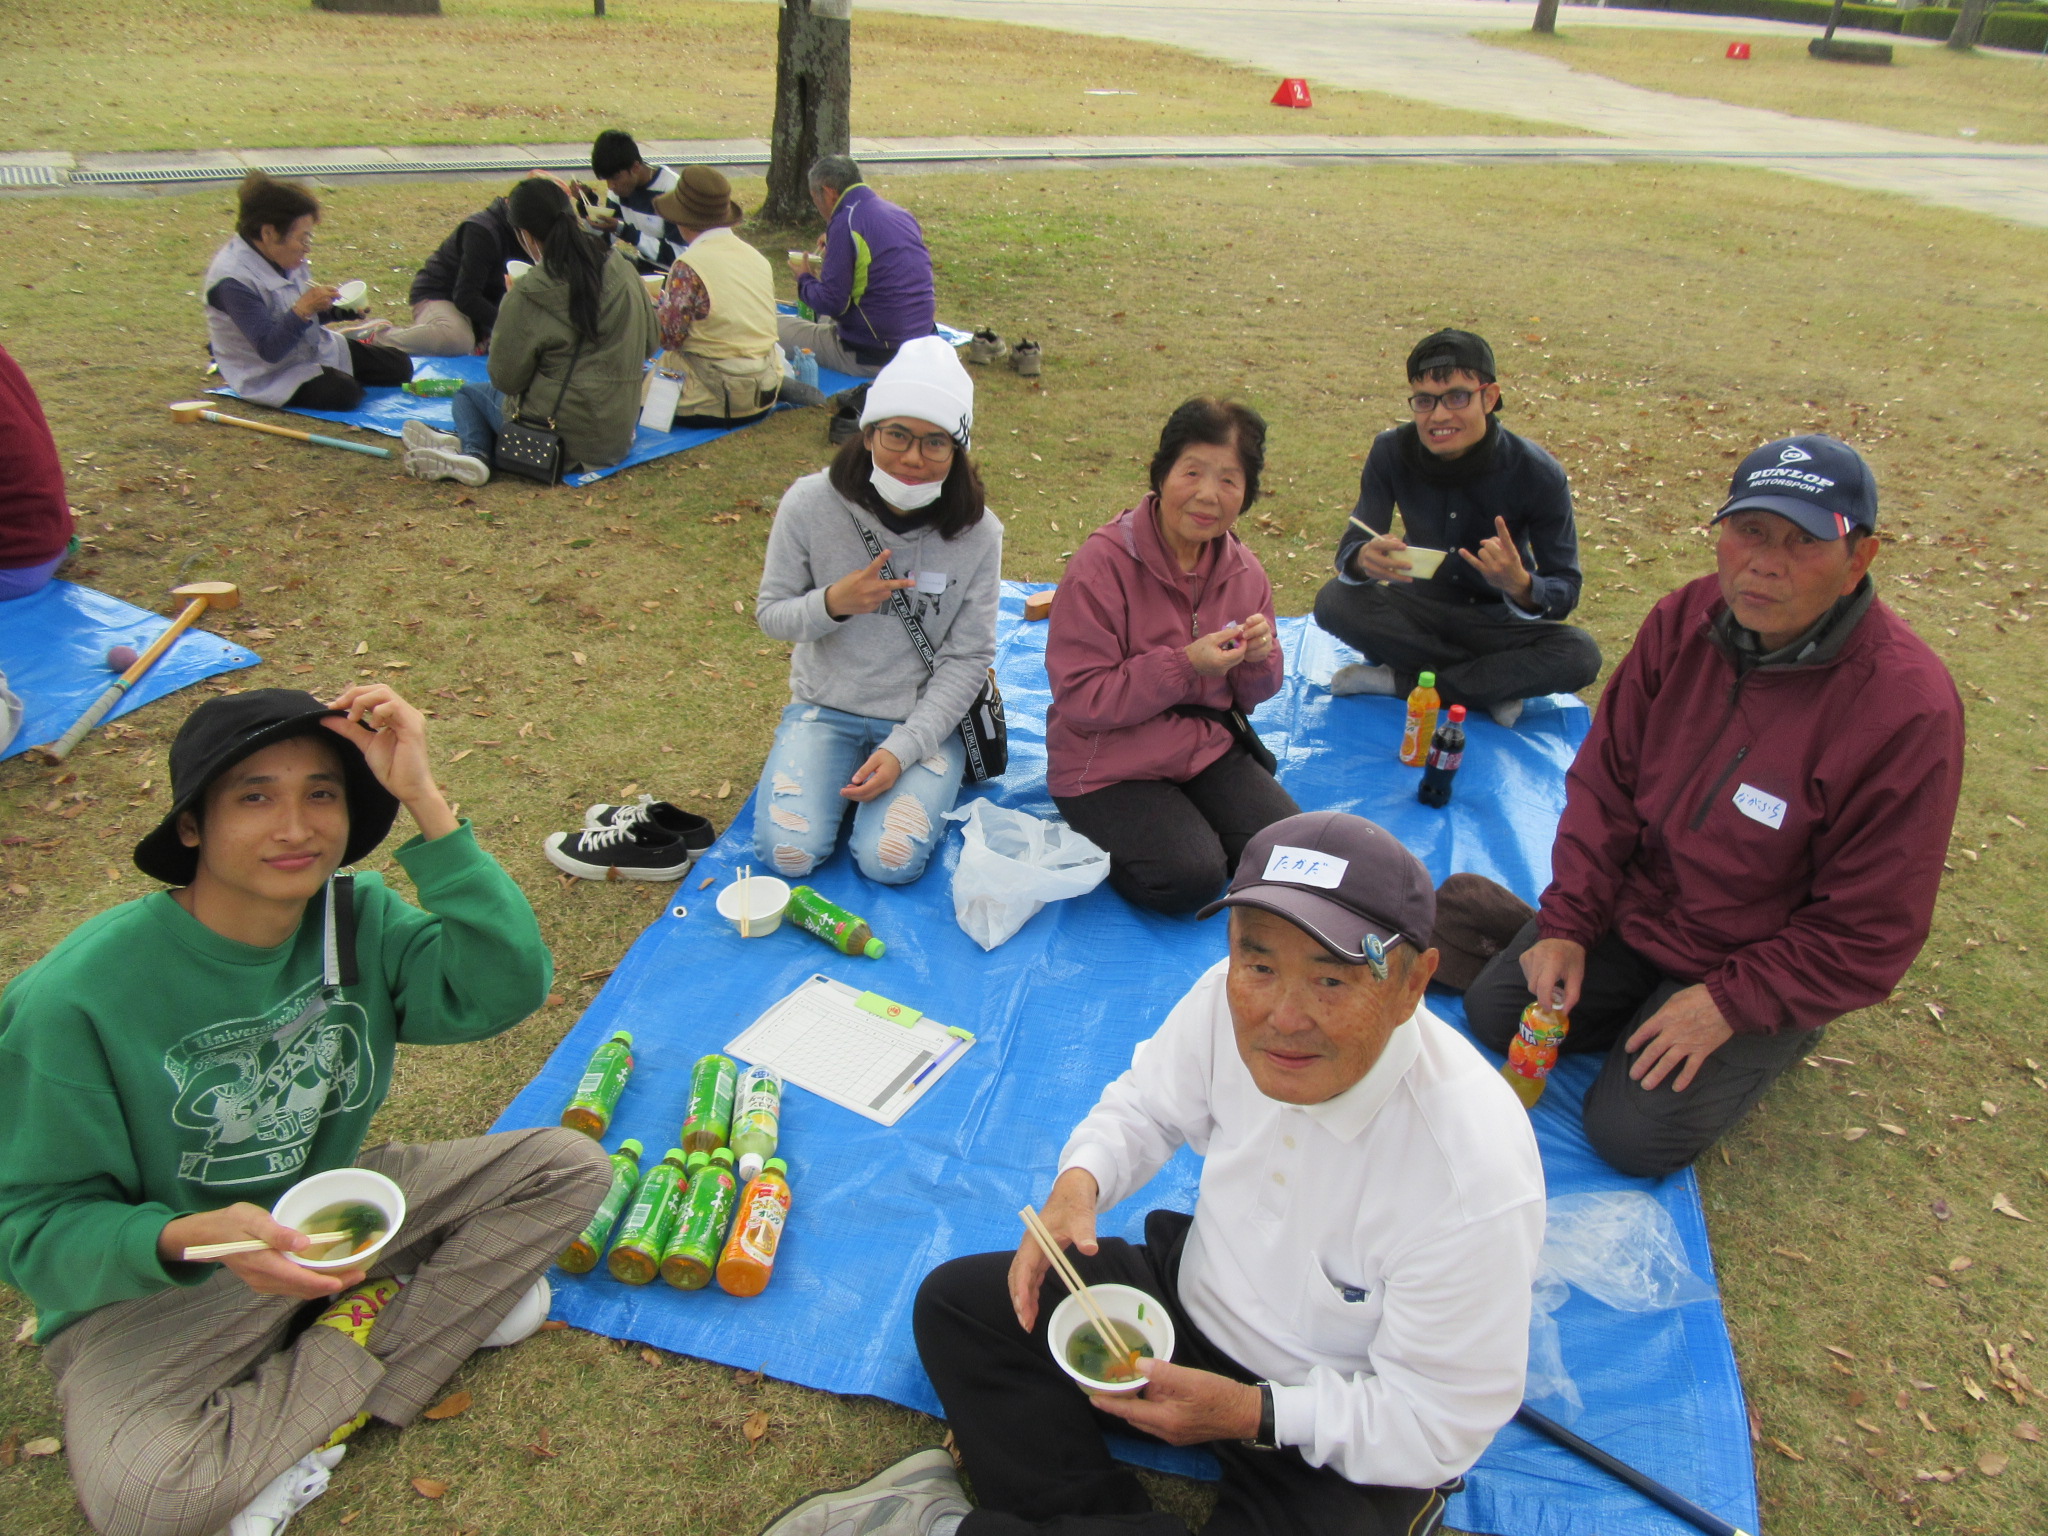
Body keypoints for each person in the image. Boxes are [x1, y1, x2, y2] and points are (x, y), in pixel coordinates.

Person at [754, 812, 1544, 1536]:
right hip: (1189, 1313)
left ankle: (940, 1527)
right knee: (962, 1309)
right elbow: (1147, 1107)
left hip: (1333, 1418)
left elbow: (1440, 1423)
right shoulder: (1223, 1004)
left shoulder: (1471, 1172)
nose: (1284, 1017)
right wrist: (1082, 1181)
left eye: (1332, 979)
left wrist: (1252, 1414)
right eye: (1258, 963)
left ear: (1412, 983)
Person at [0, 684, 612, 1536]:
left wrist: (426, 802)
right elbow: (31, 1232)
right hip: (158, 1285)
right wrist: (186, 1237)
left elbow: (504, 987)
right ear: (190, 825)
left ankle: (320, 1361)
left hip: (326, 1217)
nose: (295, 828)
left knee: (567, 1167)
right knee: (150, 1501)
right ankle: (365, 1339)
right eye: (255, 796)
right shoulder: (76, 1001)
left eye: (320, 793)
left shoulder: (354, 920)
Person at [1465, 436, 1964, 1177]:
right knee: (1497, 1011)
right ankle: (1608, 976)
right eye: (1751, 532)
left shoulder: (1906, 710)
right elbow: (1605, 784)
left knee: (1629, 1134)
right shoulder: (1684, 620)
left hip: (1754, 954)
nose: (1765, 562)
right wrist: (1570, 923)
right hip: (1640, 912)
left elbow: (1872, 925)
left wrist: (1732, 1003)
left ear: (1859, 559)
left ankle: (1784, 1028)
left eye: (1802, 543)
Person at [739, 336, 1000, 886]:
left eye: (935, 443)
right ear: (869, 431)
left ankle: (899, 789)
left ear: (957, 451)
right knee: (786, 855)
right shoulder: (810, 503)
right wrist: (833, 604)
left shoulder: (979, 532)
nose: (912, 457)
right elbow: (771, 614)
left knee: (891, 863)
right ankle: (835, 784)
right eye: (897, 434)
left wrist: (904, 749)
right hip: (823, 710)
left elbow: (969, 657)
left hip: (920, 719)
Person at [1046, 397, 1298, 916]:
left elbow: (1254, 695)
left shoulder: (1244, 572)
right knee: (1191, 878)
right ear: (1162, 474)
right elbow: (1080, 697)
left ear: (1246, 494)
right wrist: (1186, 666)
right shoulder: (1101, 567)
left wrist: (1259, 658)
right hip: (1107, 762)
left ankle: (1191, 824)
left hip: (1201, 746)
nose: (1208, 495)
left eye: (1229, 480)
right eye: (1192, 472)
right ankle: (1127, 839)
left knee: (1285, 858)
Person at [1314, 329, 1600, 729]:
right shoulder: (1391, 451)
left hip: (1495, 620)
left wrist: (1520, 585)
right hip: (1416, 610)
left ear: (1490, 396)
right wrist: (1363, 559)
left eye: (1458, 397)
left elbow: (1566, 587)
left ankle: (1399, 681)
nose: (1439, 416)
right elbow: (1354, 543)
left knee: (1581, 655)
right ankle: (1490, 685)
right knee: (1333, 601)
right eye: (1425, 401)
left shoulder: (1538, 473)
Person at [402, 177, 659, 488]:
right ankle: (460, 443)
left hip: (557, 442)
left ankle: (474, 451)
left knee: (469, 396)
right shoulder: (623, 269)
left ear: (526, 236)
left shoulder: (530, 292)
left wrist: (513, 309)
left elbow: (506, 379)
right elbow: (649, 343)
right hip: (618, 432)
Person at [202, 171, 414, 411]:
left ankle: (346, 347)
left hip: (312, 349)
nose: (307, 248)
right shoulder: (233, 281)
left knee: (400, 365)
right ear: (268, 233)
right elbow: (269, 350)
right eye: (303, 239)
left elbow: (299, 316)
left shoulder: (284, 256)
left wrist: (337, 311)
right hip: (270, 373)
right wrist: (304, 309)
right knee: (345, 393)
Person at [647, 166, 787, 427]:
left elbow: (668, 336)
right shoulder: (756, 257)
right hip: (763, 389)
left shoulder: (689, 264)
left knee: (655, 374)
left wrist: (655, 310)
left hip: (711, 398)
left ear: (683, 220)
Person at [779, 155, 937, 379]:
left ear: (828, 191)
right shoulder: (898, 213)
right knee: (819, 317)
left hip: (874, 355)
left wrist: (805, 279)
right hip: (920, 342)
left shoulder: (845, 222)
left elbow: (832, 303)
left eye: (815, 198)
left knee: (771, 326)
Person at [382, 188, 525, 357]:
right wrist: (510, 326)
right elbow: (467, 297)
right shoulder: (482, 231)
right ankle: (379, 337)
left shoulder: (548, 234)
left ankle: (482, 337)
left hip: (485, 307)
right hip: (442, 295)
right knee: (457, 339)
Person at [586, 128, 683, 274]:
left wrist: (625, 231)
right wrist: (588, 205)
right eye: (606, 179)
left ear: (635, 167)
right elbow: (603, 242)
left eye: (615, 178)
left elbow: (677, 256)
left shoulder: (671, 189)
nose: (610, 186)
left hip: (674, 274)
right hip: (644, 266)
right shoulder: (618, 191)